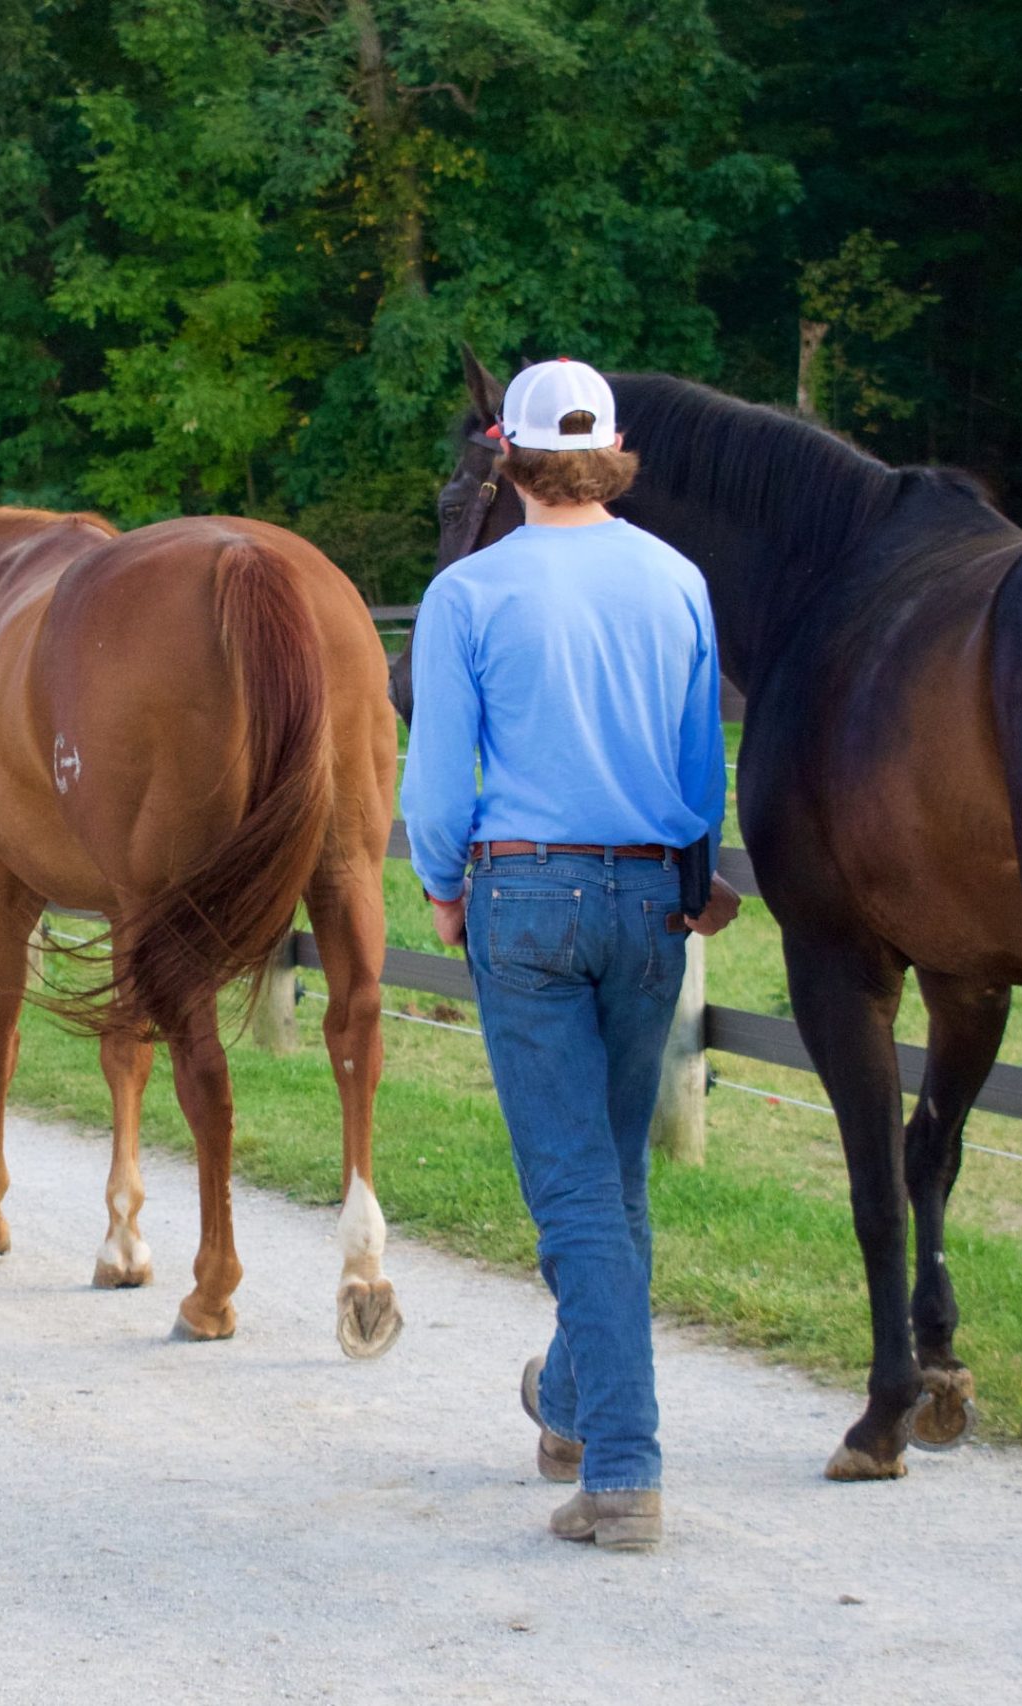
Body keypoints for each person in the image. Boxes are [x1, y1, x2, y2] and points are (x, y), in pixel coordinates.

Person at [400, 358, 740, 1552]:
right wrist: (696, 880)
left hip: (529, 891)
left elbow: (440, 774)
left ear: (509, 457)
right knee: (617, 1175)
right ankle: (579, 1405)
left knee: (574, 1187)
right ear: (615, 450)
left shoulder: (470, 593)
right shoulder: (678, 579)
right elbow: (702, 763)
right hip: (651, 893)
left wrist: (442, 883)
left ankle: (624, 1467)